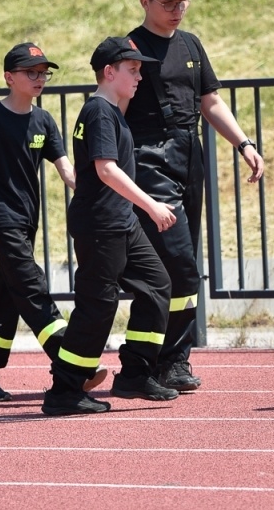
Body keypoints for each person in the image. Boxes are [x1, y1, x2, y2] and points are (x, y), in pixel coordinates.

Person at [125, 0, 265, 393]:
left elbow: (210, 101)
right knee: (177, 262)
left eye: (182, 1)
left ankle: (170, 361)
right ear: (145, 1)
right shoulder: (128, 48)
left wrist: (244, 144)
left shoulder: (190, 44)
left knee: (185, 265)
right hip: (148, 156)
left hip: (189, 155)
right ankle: (154, 361)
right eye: (167, 2)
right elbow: (112, 108)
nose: (177, 9)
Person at [44, 37, 178, 416]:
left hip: (121, 222)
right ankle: (64, 390)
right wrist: (151, 205)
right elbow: (106, 169)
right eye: (132, 70)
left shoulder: (111, 111)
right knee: (97, 307)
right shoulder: (100, 112)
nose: (139, 77)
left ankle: (135, 372)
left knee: (156, 285)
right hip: (101, 225)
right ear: (109, 72)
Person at [0, 42, 90, 403]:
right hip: (1, 218)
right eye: (31, 72)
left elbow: (66, 170)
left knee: (9, 292)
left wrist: (98, 189)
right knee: (31, 282)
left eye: (43, 72)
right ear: (9, 77)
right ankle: (70, 362)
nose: (39, 78)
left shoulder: (44, 120)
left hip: (28, 220)